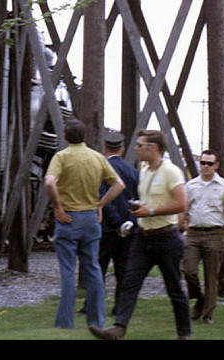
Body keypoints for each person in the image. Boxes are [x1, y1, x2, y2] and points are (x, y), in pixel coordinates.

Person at [90, 129, 190, 341]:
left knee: (174, 289)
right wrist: (140, 207)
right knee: (129, 282)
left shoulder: (171, 172)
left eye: (139, 145)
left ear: (152, 148)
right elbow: (150, 202)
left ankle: (184, 334)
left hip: (166, 239)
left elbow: (182, 203)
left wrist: (151, 211)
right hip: (143, 238)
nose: (135, 149)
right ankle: (118, 329)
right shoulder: (143, 171)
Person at [44, 120, 125, 330]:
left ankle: (65, 322)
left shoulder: (61, 157)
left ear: (65, 136)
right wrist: (101, 204)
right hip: (90, 218)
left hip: (68, 218)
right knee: (93, 269)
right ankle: (97, 320)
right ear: (85, 136)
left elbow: (50, 182)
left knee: (68, 271)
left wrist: (57, 206)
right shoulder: (97, 157)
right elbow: (119, 184)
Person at [180, 149, 224, 325]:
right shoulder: (191, 185)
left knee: (211, 276)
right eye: (203, 163)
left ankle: (207, 313)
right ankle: (199, 299)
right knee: (189, 269)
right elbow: (184, 210)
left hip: (215, 234)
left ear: (216, 165)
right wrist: (178, 229)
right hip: (193, 234)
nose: (205, 166)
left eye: (209, 163)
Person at [97, 130, 139, 315]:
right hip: (129, 230)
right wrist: (128, 222)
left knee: (99, 268)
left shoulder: (102, 169)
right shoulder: (134, 172)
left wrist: (115, 222)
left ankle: (94, 305)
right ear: (122, 150)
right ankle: (120, 306)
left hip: (106, 227)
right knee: (123, 269)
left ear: (105, 148)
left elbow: (102, 198)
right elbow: (138, 200)